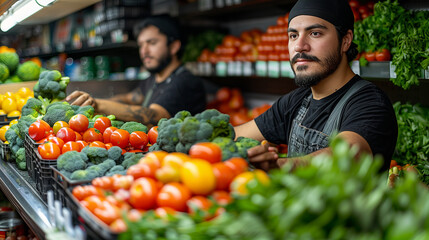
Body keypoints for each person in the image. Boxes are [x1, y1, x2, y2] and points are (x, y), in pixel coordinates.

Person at [235, 0, 398, 171]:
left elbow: (349, 155)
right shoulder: (296, 100)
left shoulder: (370, 102)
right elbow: (237, 135)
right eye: (293, 35)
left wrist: (280, 166)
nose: (299, 46)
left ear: (345, 41)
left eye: (315, 33)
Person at [66, 15, 207, 127]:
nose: (144, 51)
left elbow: (155, 116)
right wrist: (86, 103)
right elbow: (129, 98)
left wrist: (99, 104)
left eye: (152, 43)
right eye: (141, 45)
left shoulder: (185, 82)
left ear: (174, 46)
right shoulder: (153, 79)